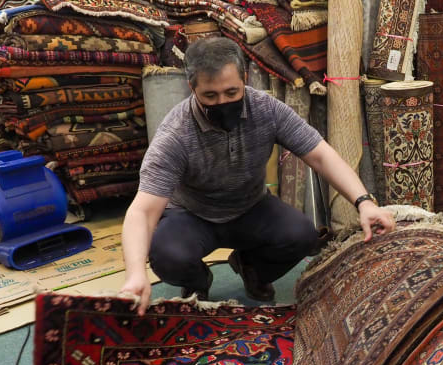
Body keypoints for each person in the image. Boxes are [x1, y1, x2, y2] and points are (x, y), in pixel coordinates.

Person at [120, 37, 395, 315]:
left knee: (302, 236)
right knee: (168, 257)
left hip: (250, 207)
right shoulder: (175, 134)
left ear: (245, 78)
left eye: (231, 92)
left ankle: (251, 267)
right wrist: (134, 273)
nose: (222, 102)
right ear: (192, 88)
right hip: (192, 215)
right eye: (210, 96)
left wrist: (364, 202)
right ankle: (198, 282)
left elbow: (321, 155)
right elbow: (142, 212)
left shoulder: (267, 109)